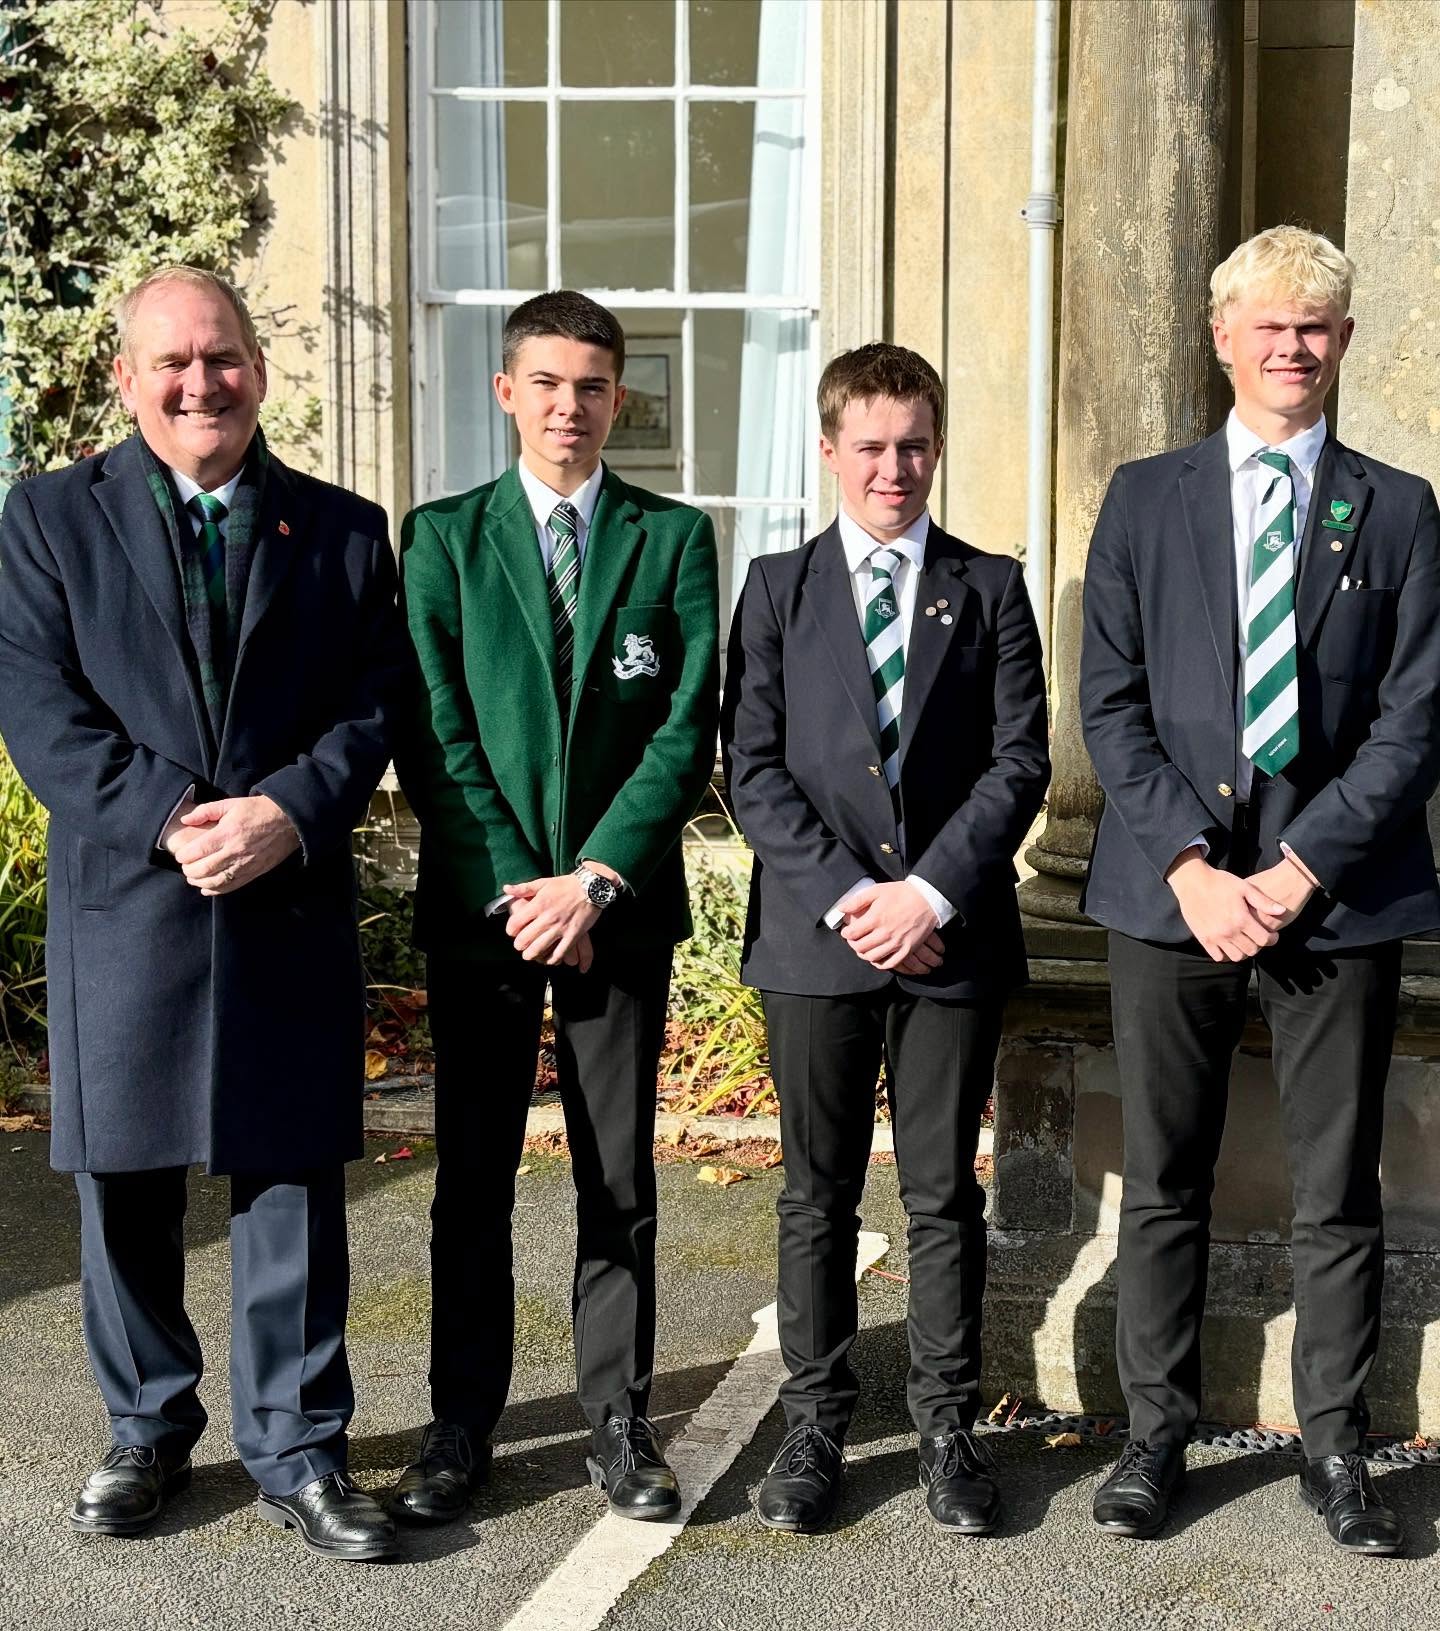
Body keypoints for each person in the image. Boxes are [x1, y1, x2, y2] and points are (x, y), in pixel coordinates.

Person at [0, 267, 408, 1560]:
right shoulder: (48, 519)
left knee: (288, 1175)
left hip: (285, 894)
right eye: (171, 362)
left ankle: (299, 1442)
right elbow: (42, 711)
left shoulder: (343, 532)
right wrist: (180, 813)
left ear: (259, 369)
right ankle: (149, 1428)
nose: (199, 383)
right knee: (121, 1174)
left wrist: (287, 810)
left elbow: (376, 704)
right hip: (131, 891)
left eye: (221, 356)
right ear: (126, 380)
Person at [1080, 226, 1440, 1553]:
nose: (1292, 346)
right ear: (1222, 336)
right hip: (1170, 894)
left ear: (1343, 342)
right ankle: (1152, 1433)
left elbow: (1414, 720)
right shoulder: (1143, 497)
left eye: (1318, 326)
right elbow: (1109, 705)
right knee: (1163, 1176)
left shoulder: (1398, 509)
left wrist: (1295, 866)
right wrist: (1190, 861)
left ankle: (1338, 1444)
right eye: (1269, 324)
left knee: (1335, 1186)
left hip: (1336, 897)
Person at [393, 290, 719, 1525]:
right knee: (471, 1173)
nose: (569, 407)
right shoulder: (440, 540)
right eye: (547, 382)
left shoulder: (672, 539)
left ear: (619, 399)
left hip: (614, 910)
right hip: (486, 907)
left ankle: (619, 1421)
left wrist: (590, 880)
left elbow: (686, 730)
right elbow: (433, 732)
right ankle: (460, 1422)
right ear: (506, 393)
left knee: (616, 1174)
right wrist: (521, 885)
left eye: (592, 386)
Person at [722, 342, 1050, 1534]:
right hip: (818, 944)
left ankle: (949, 1426)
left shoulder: (993, 587)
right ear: (829, 450)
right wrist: (851, 898)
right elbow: (750, 765)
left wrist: (930, 893)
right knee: (814, 1193)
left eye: (914, 443)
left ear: (937, 444)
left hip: (949, 943)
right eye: (871, 445)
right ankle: (816, 1425)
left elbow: (1022, 761)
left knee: (938, 1196)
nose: (895, 467)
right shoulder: (774, 588)